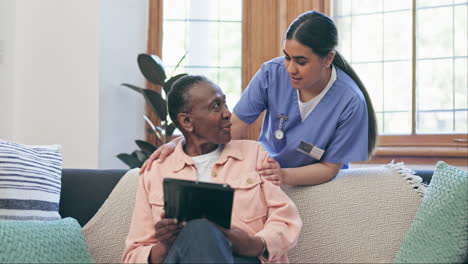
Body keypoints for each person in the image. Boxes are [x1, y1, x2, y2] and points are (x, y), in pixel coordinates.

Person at [140, 11, 377, 187]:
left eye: (301, 61)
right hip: (267, 172)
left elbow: (329, 168)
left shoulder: (350, 101)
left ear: (328, 59)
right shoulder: (271, 73)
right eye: (287, 57)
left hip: (317, 182)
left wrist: (284, 176)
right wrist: (181, 144)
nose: (290, 68)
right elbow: (231, 128)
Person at [122, 75, 302, 264]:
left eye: (224, 104)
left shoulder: (255, 155)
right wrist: (165, 245)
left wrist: (252, 243)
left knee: (202, 230)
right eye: (216, 106)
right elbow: (132, 256)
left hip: (243, 259)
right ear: (187, 122)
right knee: (200, 230)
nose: (227, 113)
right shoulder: (156, 171)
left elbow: (286, 220)